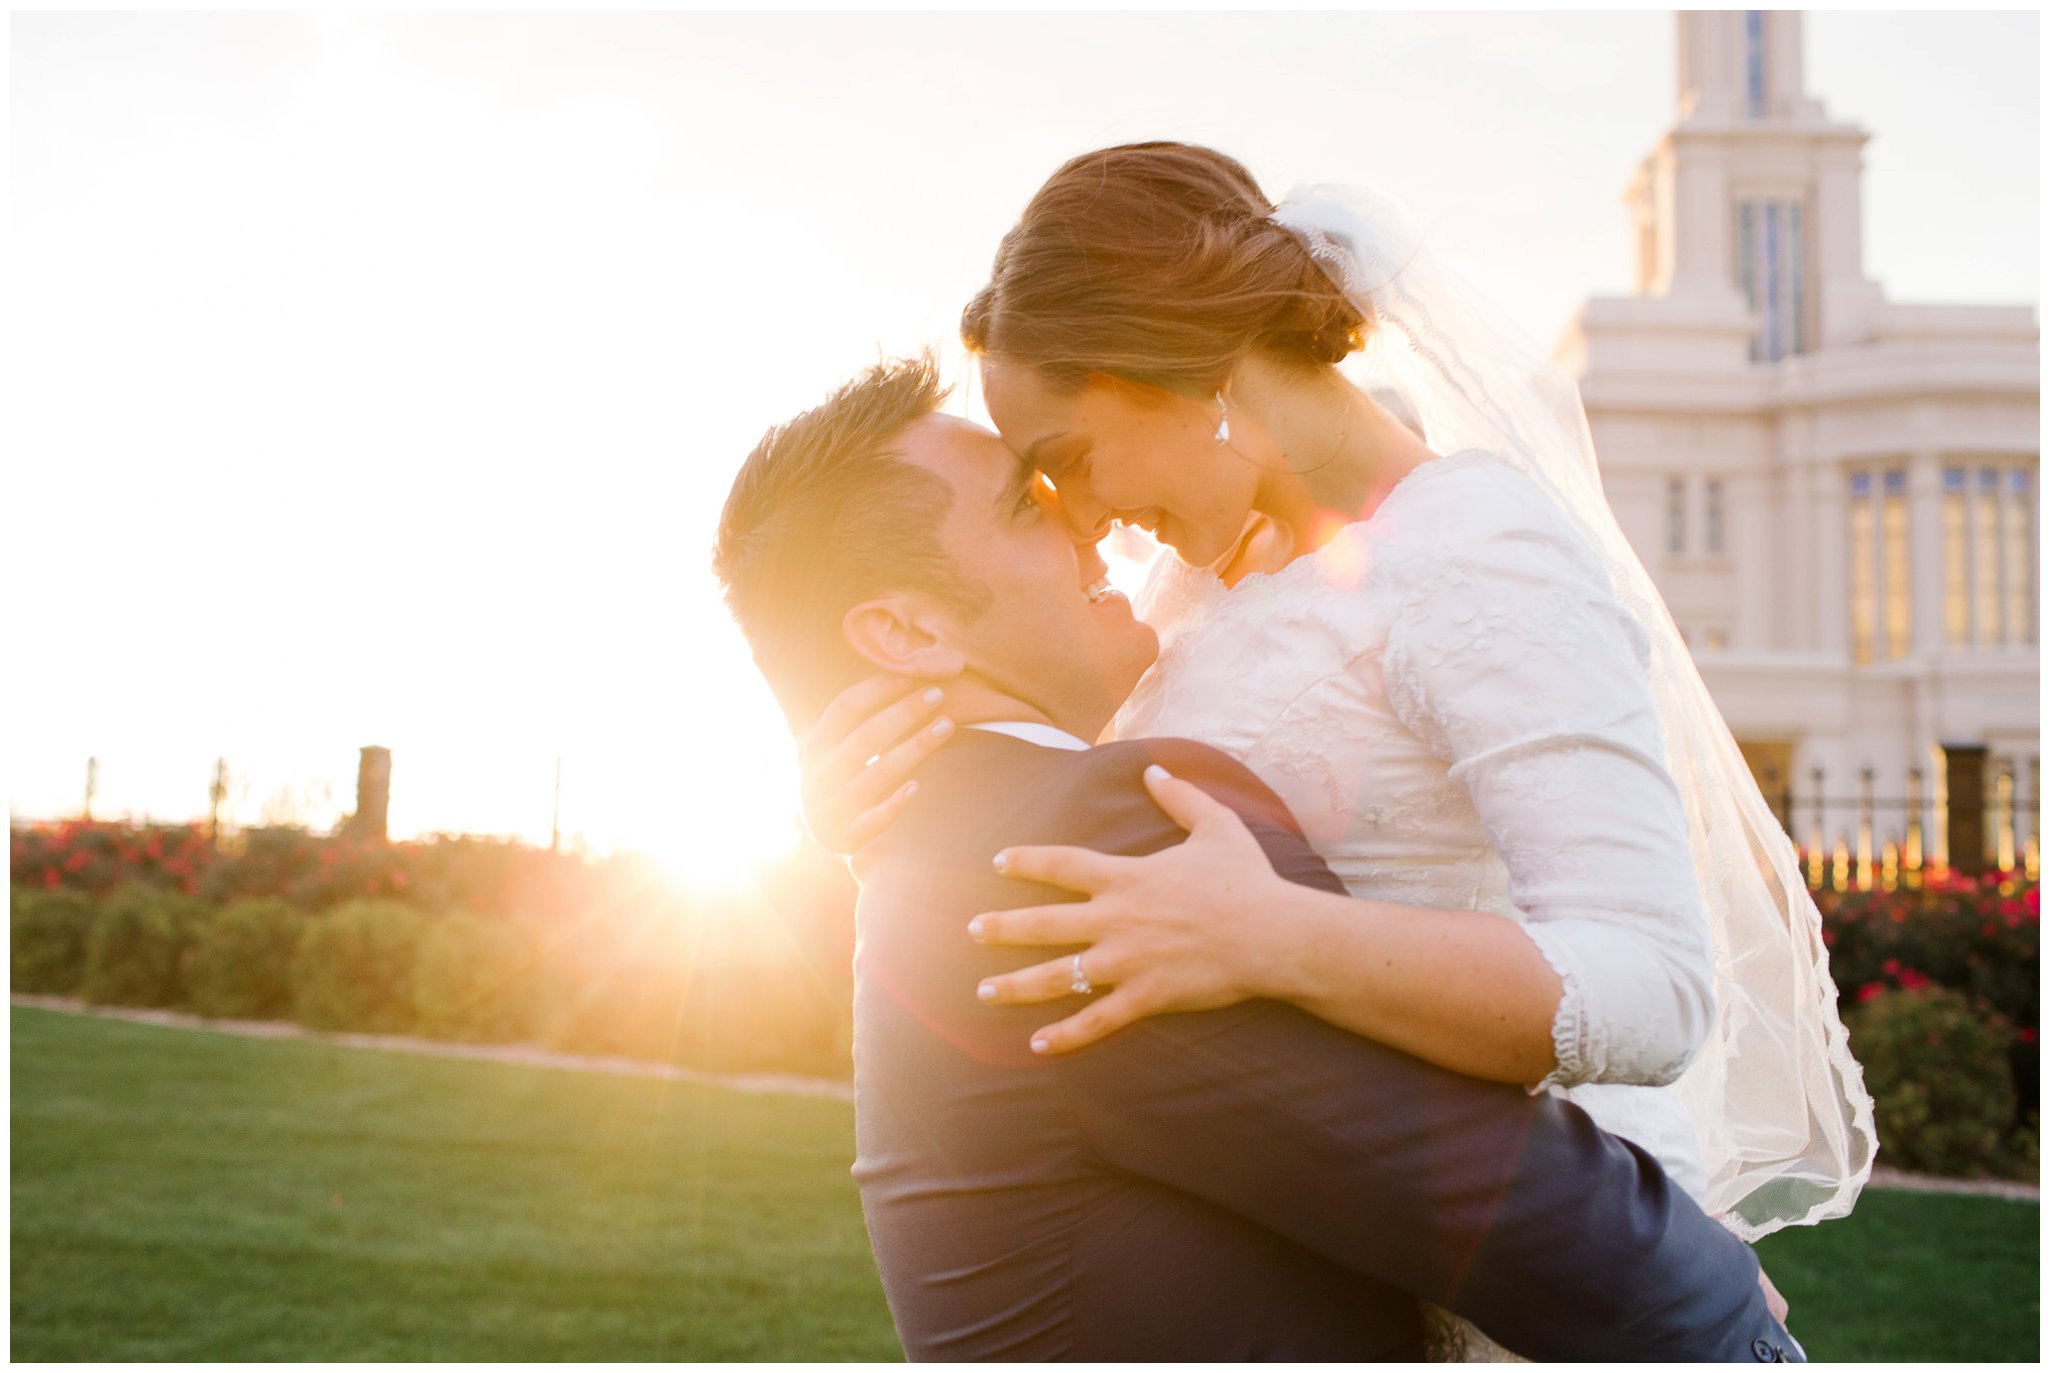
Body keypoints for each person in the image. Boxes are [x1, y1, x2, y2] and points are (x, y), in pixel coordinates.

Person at [800, 144, 1874, 1255]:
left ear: (1185, 361)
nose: (1083, 516)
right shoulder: (1187, 591)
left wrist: (1276, 936)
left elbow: (1653, 988)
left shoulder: (1478, 552)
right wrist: (876, 831)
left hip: (1542, 1243)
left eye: (1069, 457)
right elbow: (1071, 832)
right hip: (1339, 1238)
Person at [712, 354, 1801, 1362]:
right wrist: (1719, 1302)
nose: (1089, 528)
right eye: (1026, 504)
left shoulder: (953, 850)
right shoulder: (1080, 840)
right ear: (903, 632)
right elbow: (1460, 1176)